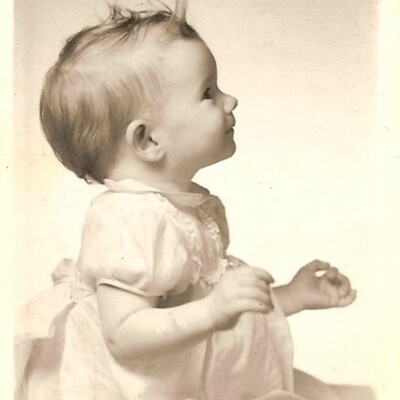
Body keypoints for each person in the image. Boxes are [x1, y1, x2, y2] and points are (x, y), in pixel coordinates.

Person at [15, 1, 376, 399]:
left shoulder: (183, 208)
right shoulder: (131, 221)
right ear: (148, 139)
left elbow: (205, 303)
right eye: (208, 92)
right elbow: (124, 334)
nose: (230, 100)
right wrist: (214, 310)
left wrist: (290, 296)